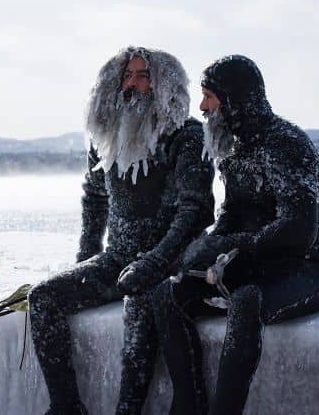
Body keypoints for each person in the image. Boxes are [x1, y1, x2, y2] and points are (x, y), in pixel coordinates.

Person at [27, 46, 215, 415]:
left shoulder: (186, 136)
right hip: (119, 258)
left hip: (171, 264)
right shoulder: (107, 137)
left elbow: (195, 210)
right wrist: (85, 256)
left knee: (140, 309)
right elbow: (94, 197)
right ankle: (66, 406)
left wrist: (157, 261)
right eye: (127, 76)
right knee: (43, 298)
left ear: (164, 85)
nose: (133, 84)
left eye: (144, 76)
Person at [152, 55, 319, 415]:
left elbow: (299, 230)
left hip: (310, 271)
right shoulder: (233, 147)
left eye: (209, 96)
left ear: (234, 98)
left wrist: (234, 246)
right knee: (169, 293)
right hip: (254, 263)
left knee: (247, 299)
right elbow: (233, 214)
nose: (203, 106)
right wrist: (206, 247)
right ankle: (188, 404)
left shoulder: (286, 145)